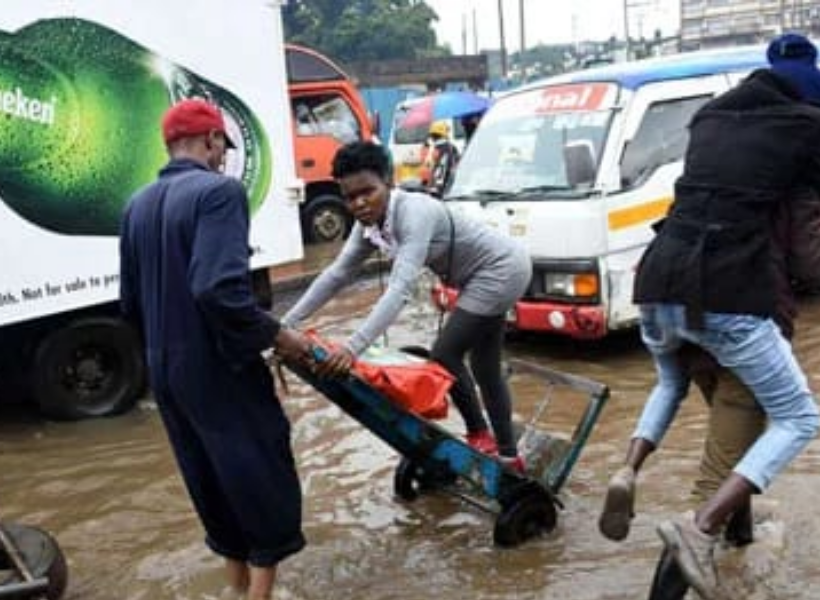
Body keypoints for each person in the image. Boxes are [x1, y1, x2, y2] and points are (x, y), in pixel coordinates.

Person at [605, 33, 820, 599]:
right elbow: (811, 263)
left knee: (670, 383)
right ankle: (702, 528)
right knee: (794, 421)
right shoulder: (806, 139)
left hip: (658, 280)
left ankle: (629, 469)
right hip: (730, 301)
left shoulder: (710, 120)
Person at [118, 98, 314, 600]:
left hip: (166, 370)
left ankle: (234, 588)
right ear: (209, 141)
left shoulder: (136, 205)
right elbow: (218, 290)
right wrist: (279, 337)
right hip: (217, 365)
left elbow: (130, 302)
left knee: (208, 473)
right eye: (222, 145)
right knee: (259, 470)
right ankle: (260, 596)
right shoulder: (219, 193)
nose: (223, 156)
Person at [283, 141, 532, 469]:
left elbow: (400, 289)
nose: (358, 204)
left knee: (444, 355)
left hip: (501, 269)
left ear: (389, 181)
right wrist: (284, 325)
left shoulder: (414, 212)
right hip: (479, 277)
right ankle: (510, 456)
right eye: (349, 197)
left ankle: (480, 436)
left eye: (367, 192)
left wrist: (352, 349)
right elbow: (336, 274)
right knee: (485, 368)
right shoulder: (368, 225)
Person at [424, 120, 460, 198]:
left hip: (436, 189)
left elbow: (428, 169)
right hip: (446, 188)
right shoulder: (450, 147)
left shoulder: (432, 148)